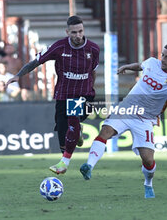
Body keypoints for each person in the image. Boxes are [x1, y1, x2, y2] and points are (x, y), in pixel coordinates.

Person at [80, 42, 167, 199]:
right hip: (127, 109)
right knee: (105, 131)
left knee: (148, 160)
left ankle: (148, 184)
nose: (163, 59)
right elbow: (140, 66)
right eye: (162, 55)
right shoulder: (152, 63)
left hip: (145, 119)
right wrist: (126, 67)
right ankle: (89, 166)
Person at [6, 15, 100, 173]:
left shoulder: (93, 49)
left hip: (83, 94)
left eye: (80, 31)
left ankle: (64, 163)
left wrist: (90, 90)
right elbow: (36, 61)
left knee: (73, 118)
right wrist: (18, 75)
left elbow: (93, 72)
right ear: (67, 32)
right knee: (63, 135)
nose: (78, 35)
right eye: (74, 32)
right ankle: (73, 138)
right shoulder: (58, 47)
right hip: (63, 94)